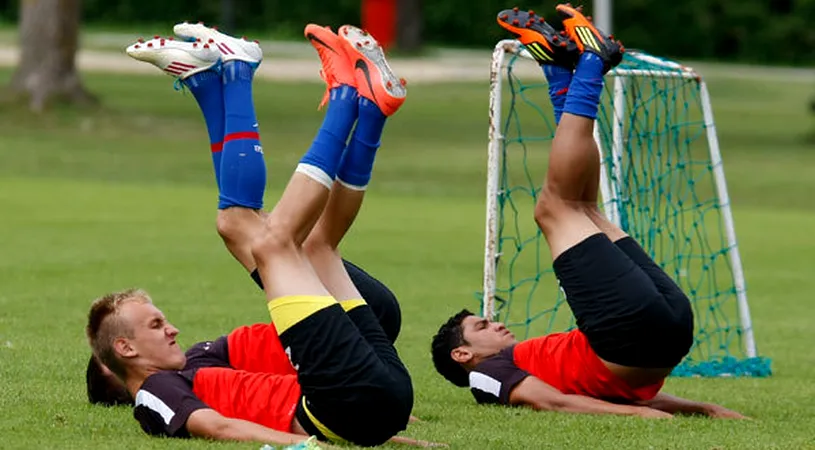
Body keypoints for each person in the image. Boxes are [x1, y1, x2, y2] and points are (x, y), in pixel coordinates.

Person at [86, 22, 421, 447]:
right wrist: (300, 445)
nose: (171, 327)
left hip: (368, 398)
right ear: (125, 351)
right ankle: (335, 97)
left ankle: (363, 112)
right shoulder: (155, 392)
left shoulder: (195, 365)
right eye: (155, 324)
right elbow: (218, 426)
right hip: (350, 399)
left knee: (248, 228)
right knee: (273, 242)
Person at [431, 5, 747, 420]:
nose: (496, 325)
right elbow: (554, 402)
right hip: (632, 334)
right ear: (462, 354)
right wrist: (636, 417)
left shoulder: (534, 358)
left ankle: (560, 69)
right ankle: (591, 63)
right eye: (482, 328)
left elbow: (614, 390)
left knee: (583, 208)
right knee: (552, 209)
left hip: (661, 328)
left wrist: (701, 408)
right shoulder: (484, 376)